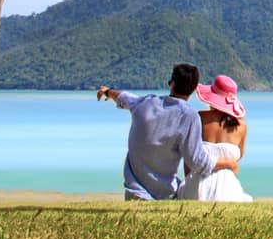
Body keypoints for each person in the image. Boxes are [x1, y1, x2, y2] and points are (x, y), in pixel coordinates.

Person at [97, 63, 238, 200]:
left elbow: (123, 97)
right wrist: (228, 163)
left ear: (172, 83)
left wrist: (108, 92)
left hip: (134, 192)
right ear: (194, 89)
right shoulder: (189, 116)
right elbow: (197, 161)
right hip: (165, 195)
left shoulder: (144, 103)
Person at [177, 74, 253, 202]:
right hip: (228, 189)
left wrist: (189, 179)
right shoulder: (242, 127)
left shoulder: (198, 117)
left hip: (197, 186)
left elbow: (188, 155)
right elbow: (238, 157)